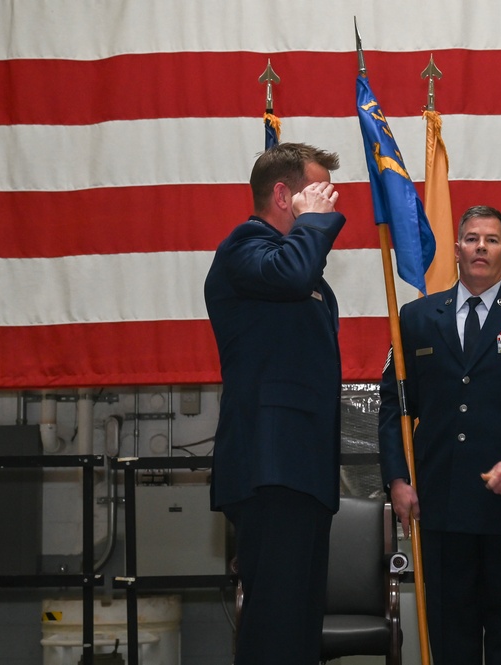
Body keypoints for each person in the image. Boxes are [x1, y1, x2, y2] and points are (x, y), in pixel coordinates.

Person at [379, 205, 501, 665]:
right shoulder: (416, 318)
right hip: (442, 511)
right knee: (449, 642)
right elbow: (394, 409)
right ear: (456, 249)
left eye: (492, 239)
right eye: (472, 238)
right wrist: (398, 480)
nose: (481, 247)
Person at [204, 142, 344, 665]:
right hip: (270, 465)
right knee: (275, 624)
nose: (331, 200)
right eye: (318, 189)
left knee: (302, 624)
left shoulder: (300, 266)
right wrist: (313, 225)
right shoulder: (244, 245)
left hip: (303, 468)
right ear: (284, 195)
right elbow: (290, 276)